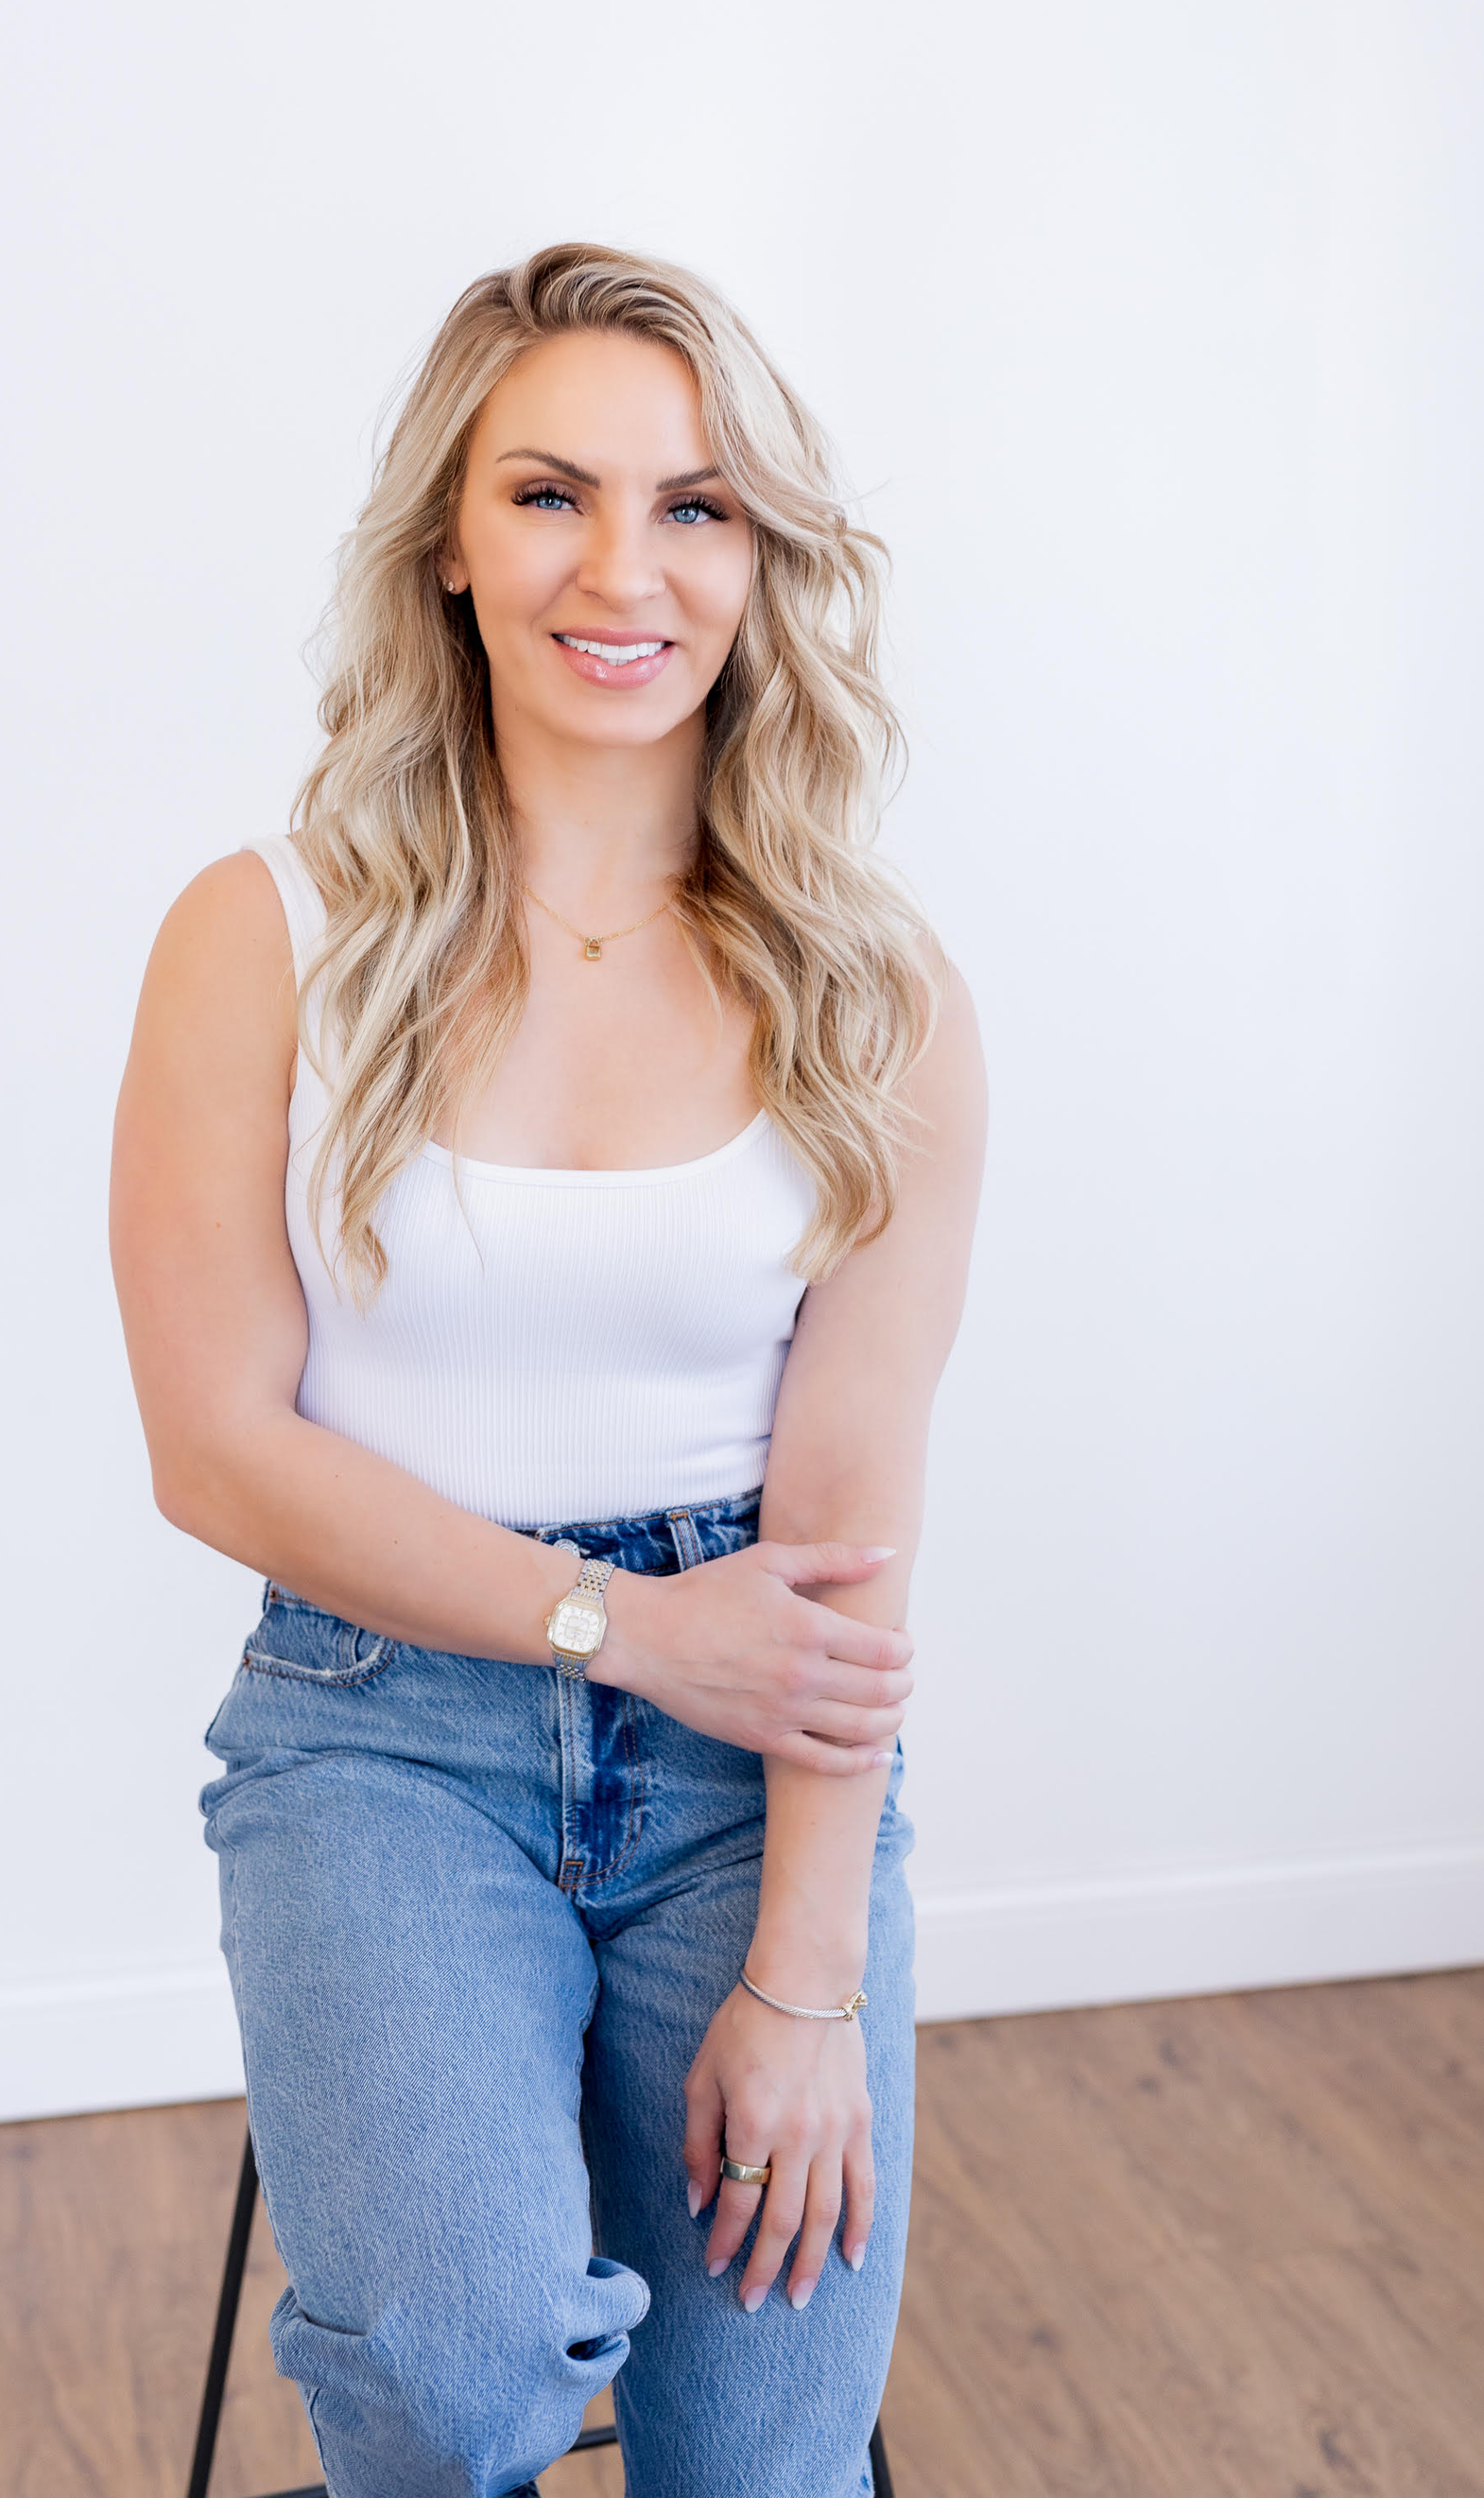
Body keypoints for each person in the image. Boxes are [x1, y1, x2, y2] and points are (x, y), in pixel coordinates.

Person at [111, 241, 986, 2498]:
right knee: (462, 2366)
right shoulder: (267, 930)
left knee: (761, 2460)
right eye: (551, 496)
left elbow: (849, 1525)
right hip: (384, 1728)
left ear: (765, 557)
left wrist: (806, 1975)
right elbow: (215, 1442)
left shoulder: (877, 991)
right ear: (449, 548)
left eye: (697, 506)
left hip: (753, 1761)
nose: (628, 570)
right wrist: (619, 1622)